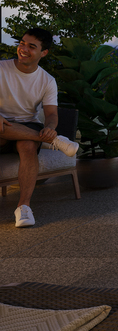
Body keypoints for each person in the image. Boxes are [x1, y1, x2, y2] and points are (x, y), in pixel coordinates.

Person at [0, 29, 79, 228]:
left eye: (31, 46)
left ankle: (23, 207)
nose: (23, 49)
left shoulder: (47, 80)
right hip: (1, 123)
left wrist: (51, 127)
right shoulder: (1, 69)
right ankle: (54, 142)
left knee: (27, 146)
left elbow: (51, 114)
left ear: (43, 53)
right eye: (22, 43)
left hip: (27, 124)